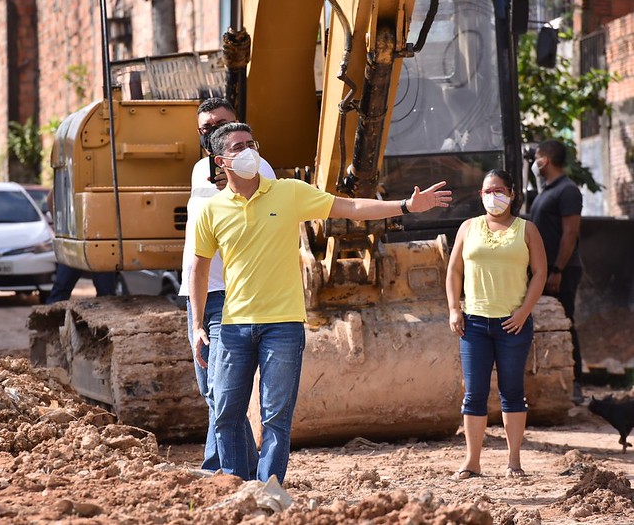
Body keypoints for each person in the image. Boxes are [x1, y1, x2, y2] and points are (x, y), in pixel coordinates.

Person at [188, 122, 452, 483]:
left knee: (275, 418)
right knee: (226, 414)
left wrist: (406, 205)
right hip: (234, 326)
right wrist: (199, 323)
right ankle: (235, 486)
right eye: (239, 147)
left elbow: (352, 207)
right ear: (221, 160)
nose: (250, 150)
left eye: (252, 142)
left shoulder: (289, 193)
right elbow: (199, 270)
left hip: (283, 326)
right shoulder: (211, 210)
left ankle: (269, 490)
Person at [178, 97, 275, 473]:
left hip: (231, 293)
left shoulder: (256, 166)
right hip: (199, 292)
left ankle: (217, 470)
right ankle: (243, 471)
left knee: (223, 390)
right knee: (211, 390)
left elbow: (267, 206)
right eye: (205, 128)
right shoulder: (198, 169)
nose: (212, 131)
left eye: (221, 123)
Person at [446, 169, 547, 480]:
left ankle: (514, 461)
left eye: (499, 190)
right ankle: (472, 462)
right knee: (474, 394)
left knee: (512, 392)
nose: (493, 196)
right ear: (480, 195)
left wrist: (523, 313)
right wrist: (454, 309)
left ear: (512, 193)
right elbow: (454, 272)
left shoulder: (527, 230)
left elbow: (540, 273)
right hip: (473, 324)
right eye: (487, 191)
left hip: (512, 325)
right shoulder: (467, 228)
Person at [529, 139, 584, 405]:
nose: (534, 161)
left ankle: (575, 385)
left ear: (546, 160)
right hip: (545, 270)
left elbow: (570, 233)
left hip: (562, 270)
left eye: (537, 156)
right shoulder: (546, 191)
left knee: (566, 323)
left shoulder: (567, 191)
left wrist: (557, 269)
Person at [44, 187, 116, 303]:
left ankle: (106, 318)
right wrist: (60, 226)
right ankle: (49, 319)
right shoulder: (75, 177)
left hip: (99, 242)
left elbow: (52, 196)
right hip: (79, 241)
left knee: (106, 292)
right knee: (62, 289)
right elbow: (52, 196)